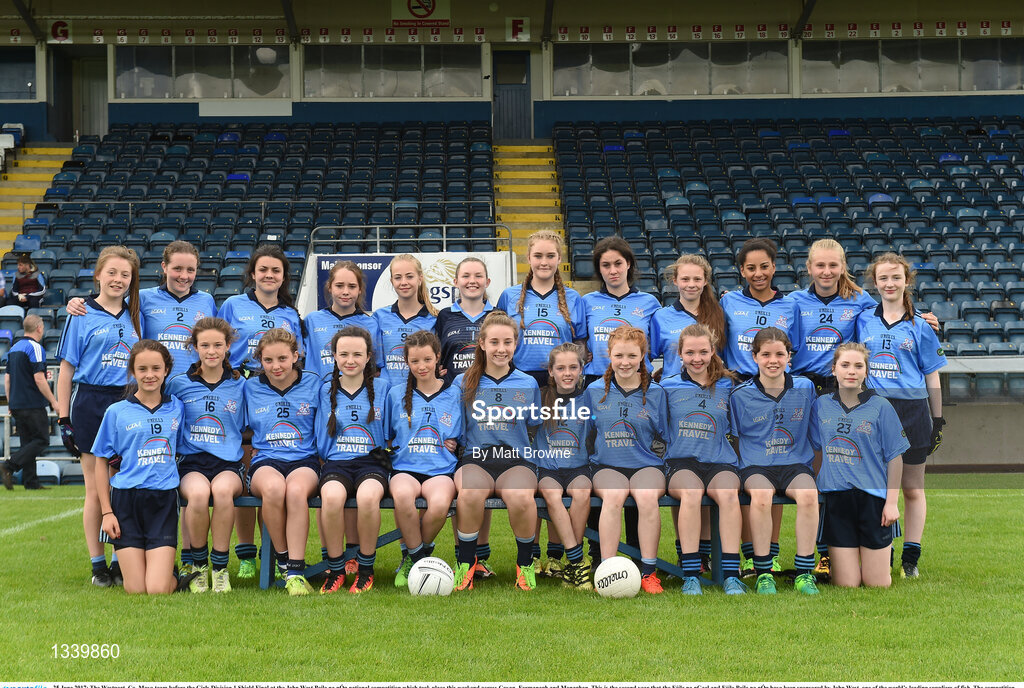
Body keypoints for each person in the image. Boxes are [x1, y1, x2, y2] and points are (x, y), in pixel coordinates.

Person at [56, 245, 142, 587]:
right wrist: (64, 419)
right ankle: (98, 565)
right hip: (91, 402)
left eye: (125, 275)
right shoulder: (80, 314)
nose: (118, 280)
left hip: (127, 402)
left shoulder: (138, 312)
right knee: (96, 490)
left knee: (122, 486)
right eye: (112, 273)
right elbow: (65, 370)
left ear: (132, 280)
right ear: (97, 275)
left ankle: (121, 558)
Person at [857, 253, 946, 579]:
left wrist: (936, 419)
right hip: (877, 410)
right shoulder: (863, 319)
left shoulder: (921, 325)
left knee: (911, 488)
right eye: (883, 278)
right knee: (878, 486)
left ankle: (911, 557)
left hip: (912, 412)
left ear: (906, 281)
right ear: (875, 282)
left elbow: (932, 375)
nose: (890, 283)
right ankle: (883, 549)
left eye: (896, 277)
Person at [217, 245, 303, 578]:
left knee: (265, 472)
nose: (269, 275)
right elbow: (217, 344)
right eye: (263, 269)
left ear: (283, 277)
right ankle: (247, 553)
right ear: (252, 273)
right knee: (243, 470)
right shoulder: (232, 305)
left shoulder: (291, 314)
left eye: (276, 271)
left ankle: (273, 555)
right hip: (241, 388)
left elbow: (298, 356)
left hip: (276, 391)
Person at [452, 311, 542, 592]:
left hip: (515, 460)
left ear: (516, 344)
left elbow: (536, 427)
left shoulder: (528, 383)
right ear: (481, 343)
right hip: (477, 459)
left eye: (507, 342)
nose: (501, 349)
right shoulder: (464, 381)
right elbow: (456, 428)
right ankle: (466, 564)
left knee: (521, 498)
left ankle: (525, 564)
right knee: (468, 494)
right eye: (494, 342)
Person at [729, 327, 820, 595]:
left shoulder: (805, 387)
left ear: (789, 356)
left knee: (808, 496)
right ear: (754, 356)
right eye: (766, 354)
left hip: (794, 464)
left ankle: (804, 573)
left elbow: (814, 431)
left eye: (780, 354)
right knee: (760, 496)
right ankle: (764, 572)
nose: (773, 360)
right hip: (756, 466)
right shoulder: (740, 394)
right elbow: (734, 439)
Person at [811, 342, 907, 588]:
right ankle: (841, 562)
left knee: (877, 584)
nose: (851, 371)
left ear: (866, 371)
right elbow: (816, 448)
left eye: (858, 366)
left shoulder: (881, 407)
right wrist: (819, 482)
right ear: (834, 370)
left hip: (872, 499)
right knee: (848, 585)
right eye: (845, 365)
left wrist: (892, 503)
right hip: (837, 499)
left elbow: (895, 457)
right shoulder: (821, 405)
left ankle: (883, 552)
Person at [583, 325, 669, 594]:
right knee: (614, 496)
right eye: (619, 355)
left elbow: (666, 436)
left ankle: (648, 572)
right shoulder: (594, 391)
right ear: (609, 355)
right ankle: (607, 570)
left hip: (646, 465)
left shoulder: (656, 393)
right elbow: (586, 434)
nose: (625, 362)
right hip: (607, 465)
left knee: (645, 498)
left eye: (632, 356)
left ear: (643, 356)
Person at [94, 340, 185, 594]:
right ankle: (156, 566)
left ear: (166, 370)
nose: (149, 375)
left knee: (157, 590)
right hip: (126, 501)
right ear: (133, 372)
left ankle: (171, 573)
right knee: (135, 590)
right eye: (142, 369)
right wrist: (106, 512)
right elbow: (101, 461)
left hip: (162, 501)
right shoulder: (116, 412)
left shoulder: (177, 407)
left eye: (156, 368)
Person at [662, 323, 746, 595]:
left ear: (713, 351)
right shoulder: (667, 387)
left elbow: (740, 428)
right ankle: (691, 574)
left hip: (720, 460)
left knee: (729, 495)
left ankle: (732, 575)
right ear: (680, 354)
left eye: (702, 351)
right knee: (691, 493)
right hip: (681, 462)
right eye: (689, 352)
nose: (696, 358)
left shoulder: (728, 385)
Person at [166, 317, 247, 594]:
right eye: (205, 345)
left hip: (228, 464)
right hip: (192, 463)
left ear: (227, 347)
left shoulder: (241, 385)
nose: (211, 351)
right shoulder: (178, 384)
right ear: (195, 348)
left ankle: (220, 568)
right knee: (198, 495)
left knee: (223, 492)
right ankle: (199, 567)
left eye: (217, 345)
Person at [244, 328, 321, 596]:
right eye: (268, 361)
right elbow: (239, 429)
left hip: (304, 459)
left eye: (282, 359)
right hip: (266, 459)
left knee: (296, 491)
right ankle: (284, 560)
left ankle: (297, 573)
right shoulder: (250, 387)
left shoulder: (314, 383)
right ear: (259, 361)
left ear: (295, 356)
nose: (275, 366)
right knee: (275, 489)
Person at [316, 327, 390, 595]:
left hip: (373, 463)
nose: (350, 360)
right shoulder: (325, 391)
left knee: (368, 498)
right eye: (344, 354)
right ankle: (336, 570)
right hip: (337, 463)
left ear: (369, 357)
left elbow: (394, 430)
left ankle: (365, 569)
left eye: (357, 354)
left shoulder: (383, 389)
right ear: (334, 356)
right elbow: (319, 434)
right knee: (332, 498)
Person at [386, 330, 462, 589]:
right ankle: (417, 559)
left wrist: (457, 444)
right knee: (403, 498)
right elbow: (387, 435)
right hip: (405, 468)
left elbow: (462, 436)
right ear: (406, 362)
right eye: (415, 361)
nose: (422, 366)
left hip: (441, 469)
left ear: (438, 358)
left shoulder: (454, 394)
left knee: (440, 504)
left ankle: (413, 555)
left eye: (427, 360)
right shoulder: (396, 394)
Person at [533, 343, 592, 589]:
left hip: (578, 467)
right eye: (561, 368)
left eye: (572, 367)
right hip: (548, 469)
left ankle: (570, 561)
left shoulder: (589, 398)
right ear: (551, 371)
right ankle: (578, 562)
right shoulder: (538, 398)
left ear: (581, 370)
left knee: (583, 492)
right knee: (551, 494)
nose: (567, 373)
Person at [496, 230, 587, 388]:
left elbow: (580, 342)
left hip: (560, 382)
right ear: (529, 258)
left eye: (550, 256)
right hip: (517, 379)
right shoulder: (509, 296)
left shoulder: (573, 298)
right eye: (538, 256)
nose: (544, 262)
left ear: (559, 258)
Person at [582, 237, 660, 384]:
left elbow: (654, 349)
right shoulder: (586, 301)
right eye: (606, 265)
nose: (613, 271)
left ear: (628, 263)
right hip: (596, 380)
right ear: (599, 268)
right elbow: (579, 340)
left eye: (618, 263)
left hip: (638, 380)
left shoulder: (649, 303)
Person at [1, 314, 58, 490]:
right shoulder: (36, 347)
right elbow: (40, 379)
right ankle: (9, 466)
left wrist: (11, 403)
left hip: (17, 404)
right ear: (39, 328)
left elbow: (8, 379)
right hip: (32, 403)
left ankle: (31, 482)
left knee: (28, 443)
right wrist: (54, 402)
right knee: (41, 440)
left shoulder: (14, 348)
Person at [650, 254, 727, 379]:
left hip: (711, 390)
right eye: (685, 279)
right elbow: (647, 358)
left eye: (697, 279)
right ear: (675, 280)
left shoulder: (719, 314)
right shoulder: (660, 317)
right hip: (673, 391)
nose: (691, 284)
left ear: (705, 281)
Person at [303, 260, 382, 380]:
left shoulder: (371, 324)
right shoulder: (312, 320)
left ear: (360, 289)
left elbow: (376, 368)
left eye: (352, 286)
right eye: (339, 286)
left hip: (355, 396)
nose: (345, 292)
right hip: (318, 395)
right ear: (330, 287)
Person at [374, 254, 438, 388]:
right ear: (392, 281)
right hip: (388, 395)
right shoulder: (379, 317)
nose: (404, 282)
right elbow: (376, 366)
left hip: (421, 394)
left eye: (409, 276)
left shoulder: (435, 318)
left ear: (420, 279)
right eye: (398, 277)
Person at [434, 257, 495, 384]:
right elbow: (437, 354)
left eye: (478, 276)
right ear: (456, 282)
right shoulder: (444, 316)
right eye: (466, 276)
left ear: (487, 282)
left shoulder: (497, 315)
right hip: (452, 391)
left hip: (488, 389)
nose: (472, 281)